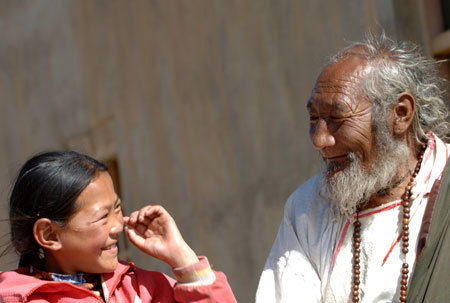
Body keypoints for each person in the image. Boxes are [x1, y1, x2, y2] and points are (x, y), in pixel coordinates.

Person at [256, 35, 450, 303]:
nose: (319, 140)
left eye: (336, 118)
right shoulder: (307, 209)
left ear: (401, 114)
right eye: (314, 118)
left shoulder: (443, 187)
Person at [0, 151, 237, 302]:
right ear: (49, 234)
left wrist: (183, 258)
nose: (117, 226)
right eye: (103, 217)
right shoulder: (20, 298)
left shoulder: (141, 288)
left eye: (117, 208)